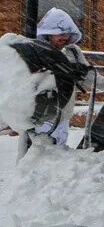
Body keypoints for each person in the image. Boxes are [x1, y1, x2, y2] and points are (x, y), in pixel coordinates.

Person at [33, 8, 84, 145]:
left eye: (67, 33)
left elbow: (88, 76)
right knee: (42, 151)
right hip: (42, 113)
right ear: (48, 33)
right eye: (59, 33)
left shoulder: (73, 52)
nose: (64, 37)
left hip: (64, 112)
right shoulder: (36, 51)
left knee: (59, 152)